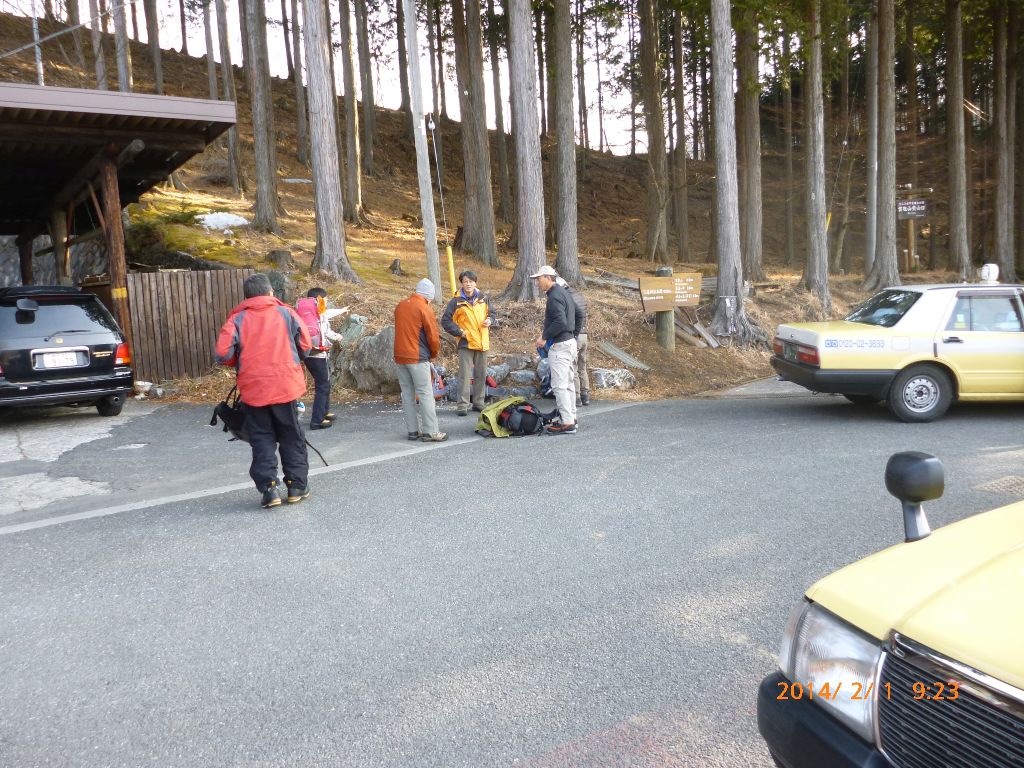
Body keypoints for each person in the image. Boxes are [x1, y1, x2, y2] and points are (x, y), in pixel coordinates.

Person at [216, 273, 312, 508]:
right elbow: (306, 346)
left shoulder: (237, 319)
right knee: (291, 436)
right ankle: (296, 486)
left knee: (261, 438)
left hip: (254, 388)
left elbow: (223, 354)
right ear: (270, 293)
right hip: (284, 386)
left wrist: (240, 361)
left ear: (247, 296)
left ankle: (269, 490)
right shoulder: (286, 313)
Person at [394, 278, 447, 442]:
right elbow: (433, 337)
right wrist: (433, 354)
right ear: (429, 296)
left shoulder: (401, 306)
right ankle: (430, 431)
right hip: (417, 357)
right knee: (425, 394)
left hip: (399, 356)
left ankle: (412, 431)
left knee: (407, 394)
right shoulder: (424, 308)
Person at [531, 265, 578, 434]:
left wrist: (544, 337)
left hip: (560, 345)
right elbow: (578, 313)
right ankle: (571, 417)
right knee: (569, 383)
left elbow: (560, 322)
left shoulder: (554, 297)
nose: (537, 282)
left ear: (548, 278)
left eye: (539, 279)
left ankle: (567, 422)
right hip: (570, 342)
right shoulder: (565, 292)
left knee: (559, 385)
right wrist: (574, 334)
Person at [441, 270, 493, 416]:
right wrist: (459, 332)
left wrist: (491, 320)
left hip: (482, 342)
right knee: (464, 375)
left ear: (475, 283)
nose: (468, 284)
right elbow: (445, 321)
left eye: (470, 281)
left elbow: (492, 314)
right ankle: (462, 405)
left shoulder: (484, 299)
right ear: (462, 283)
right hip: (466, 342)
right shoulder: (455, 301)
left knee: (481, 374)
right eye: (465, 281)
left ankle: (478, 403)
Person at [298, 287, 347, 430]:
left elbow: (327, 314)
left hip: (306, 352)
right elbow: (326, 329)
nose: (327, 302)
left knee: (324, 383)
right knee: (323, 385)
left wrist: (342, 310)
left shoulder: (303, 312)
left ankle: (325, 411)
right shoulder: (318, 312)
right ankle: (317, 420)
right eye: (325, 299)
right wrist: (338, 337)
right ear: (319, 299)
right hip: (319, 354)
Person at [556, 276, 590, 406]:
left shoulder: (566, 297)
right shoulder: (579, 296)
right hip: (585, 335)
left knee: (573, 367)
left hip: (575, 335)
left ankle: (576, 398)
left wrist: (573, 334)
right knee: (582, 366)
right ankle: (585, 394)